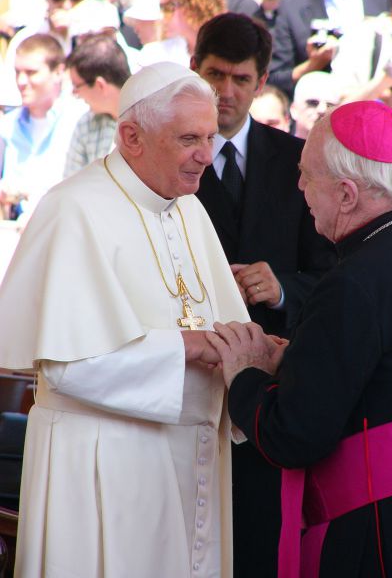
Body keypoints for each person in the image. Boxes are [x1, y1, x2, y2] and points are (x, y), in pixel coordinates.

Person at [0, 61, 249, 578]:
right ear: (131, 136)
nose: (207, 155)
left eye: (210, 136)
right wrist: (188, 347)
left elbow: (218, 326)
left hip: (190, 457)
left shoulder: (188, 208)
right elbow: (68, 368)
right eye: (188, 139)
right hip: (104, 463)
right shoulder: (73, 209)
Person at [207, 100, 392, 577]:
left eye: (307, 175)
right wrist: (298, 360)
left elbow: (293, 434)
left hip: (379, 527)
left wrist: (247, 374)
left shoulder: (352, 282)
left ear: (345, 194)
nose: (299, 187)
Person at [191, 12, 336, 578]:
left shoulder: (295, 158)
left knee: (256, 534)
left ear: (260, 82)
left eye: (241, 80)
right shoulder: (162, 156)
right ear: (194, 69)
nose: (226, 93)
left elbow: (330, 269)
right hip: (188, 372)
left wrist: (282, 288)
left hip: (270, 379)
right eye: (213, 75)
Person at [0, 33, 85, 224]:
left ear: (58, 72)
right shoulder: (7, 126)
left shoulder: (79, 120)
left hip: (65, 227)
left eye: (31, 73)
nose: (21, 81)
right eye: (17, 72)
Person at [269, 0, 392, 98]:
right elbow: (276, 78)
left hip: (377, 105)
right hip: (319, 110)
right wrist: (313, 65)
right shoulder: (291, 6)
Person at [64, 33, 131, 178]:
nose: (75, 94)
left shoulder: (153, 120)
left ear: (100, 85)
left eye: (77, 86)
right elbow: (70, 186)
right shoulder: (86, 124)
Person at [290, 70, 343, 138]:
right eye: (313, 103)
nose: (322, 110)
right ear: (294, 110)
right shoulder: (277, 147)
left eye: (330, 105)